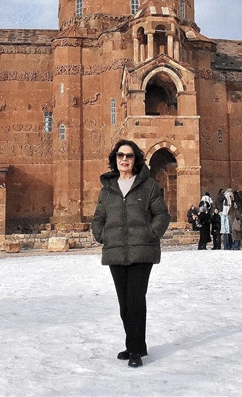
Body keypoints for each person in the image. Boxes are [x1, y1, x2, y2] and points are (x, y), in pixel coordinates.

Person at [92, 139, 170, 368]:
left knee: (135, 301)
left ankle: (136, 349)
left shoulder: (148, 186)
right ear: (114, 160)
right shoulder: (108, 189)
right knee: (124, 303)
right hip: (116, 250)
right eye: (120, 156)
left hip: (141, 251)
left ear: (136, 159)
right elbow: (98, 217)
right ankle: (135, 344)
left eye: (128, 156)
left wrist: (150, 234)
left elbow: (162, 215)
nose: (124, 160)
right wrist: (101, 235)